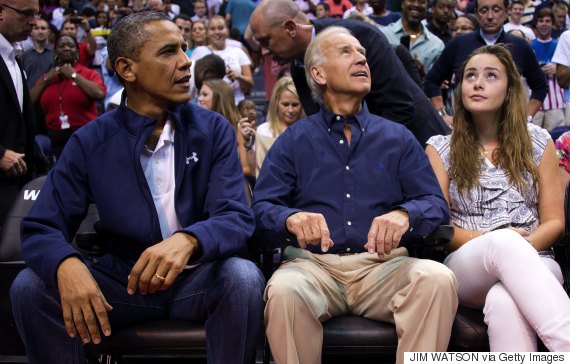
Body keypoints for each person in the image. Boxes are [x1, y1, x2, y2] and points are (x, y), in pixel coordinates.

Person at [9, 11, 265, 364]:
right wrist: (66, 264)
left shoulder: (213, 129)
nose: (185, 62)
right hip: (122, 285)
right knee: (29, 287)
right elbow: (42, 226)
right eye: (168, 52)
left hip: (195, 282)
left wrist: (188, 240)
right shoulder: (90, 141)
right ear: (127, 69)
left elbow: (235, 216)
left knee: (244, 277)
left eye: (184, 49)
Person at [252, 27, 457, 364]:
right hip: (312, 267)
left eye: (362, 53)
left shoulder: (398, 138)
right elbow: (260, 209)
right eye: (346, 52)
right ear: (318, 73)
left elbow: (435, 205)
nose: (361, 57)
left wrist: (405, 214)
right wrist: (290, 217)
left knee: (437, 279)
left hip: (383, 266)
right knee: (284, 290)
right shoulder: (293, 141)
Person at [426, 44, 570, 351]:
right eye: (470, 76)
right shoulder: (439, 148)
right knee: (503, 242)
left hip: (537, 257)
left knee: (504, 300)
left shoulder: (539, 140)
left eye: (491, 76)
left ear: (510, 90)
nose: (477, 83)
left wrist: (518, 249)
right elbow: (443, 229)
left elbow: (555, 222)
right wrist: (498, 242)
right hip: (468, 264)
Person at [249, 0, 450, 146]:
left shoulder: (360, 37)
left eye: (266, 40)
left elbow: (400, 108)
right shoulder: (297, 67)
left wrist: (361, 155)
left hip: (421, 146)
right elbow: (323, 123)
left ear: (291, 28)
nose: (264, 51)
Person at [424, 0, 548, 127]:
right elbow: (432, 80)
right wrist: (442, 114)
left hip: (508, 128)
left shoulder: (519, 45)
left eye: (496, 10)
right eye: (484, 10)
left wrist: (526, 117)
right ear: (476, 12)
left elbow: (540, 86)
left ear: (506, 11)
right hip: (466, 128)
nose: (490, 16)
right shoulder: (459, 43)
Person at [29, 34, 106, 158]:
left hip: (84, 134)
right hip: (55, 137)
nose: (66, 48)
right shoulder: (48, 77)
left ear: (77, 51)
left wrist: (73, 75)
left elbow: (99, 94)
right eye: (61, 46)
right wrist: (46, 80)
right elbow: (29, 101)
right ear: (55, 52)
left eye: (71, 46)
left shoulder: (88, 73)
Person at [0, 0, 39, 226]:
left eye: (35, 14)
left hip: (17, 181)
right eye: (26, 14)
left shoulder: (14, 57)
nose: (33, 22)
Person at [191, 16, 252, 103]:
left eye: (221, 28)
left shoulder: (238, 51)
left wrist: (238, 76)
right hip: (209, 106)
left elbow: (250, 83)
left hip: (235, 104)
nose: (217, 32)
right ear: (207, 32)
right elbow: (192, 81)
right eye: (212, 29)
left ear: (227, 31)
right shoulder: (199, 52)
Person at [380, 0, 445, 76]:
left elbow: (435, 82)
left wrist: (422, 74)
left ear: (427, 7)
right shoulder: (384, 35)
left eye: (422, 1)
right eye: (411, 0)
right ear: (402, 3)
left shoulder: (437, 45)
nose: (416, 4)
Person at [531, 7, 566, 131]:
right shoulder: (529, 46)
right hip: (534, 102)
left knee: (556, 141)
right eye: (541, 21)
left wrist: (559, 69)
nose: (544, 24)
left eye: (547, 21)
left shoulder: (559, 45)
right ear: (536, 23)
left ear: (552, 23)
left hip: (555, 102)